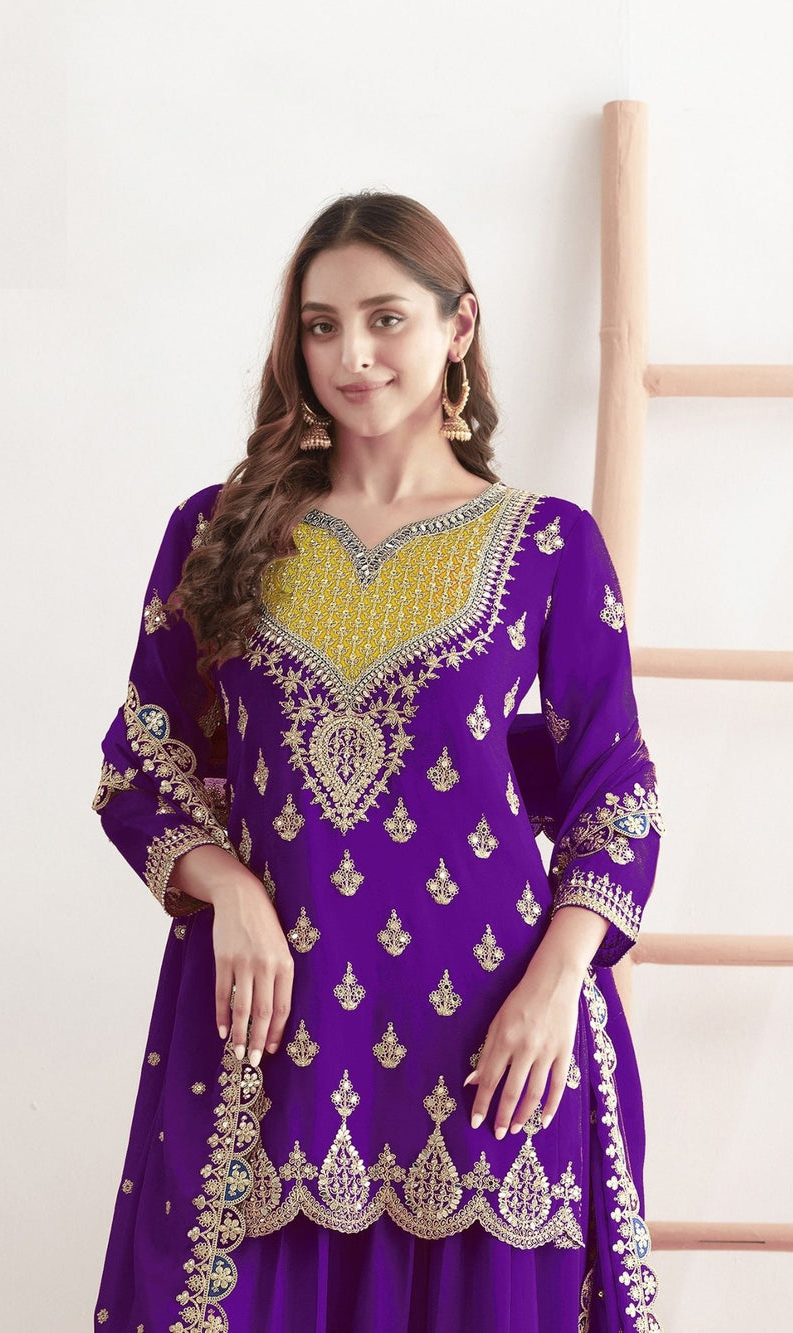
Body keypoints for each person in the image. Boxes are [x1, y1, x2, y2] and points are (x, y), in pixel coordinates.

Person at [90, 191, 666, 1332]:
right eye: (321, 325)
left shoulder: (549, 543)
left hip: (494, 1037)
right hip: (269, 1037)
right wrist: (228, 888)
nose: (350, 356)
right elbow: (141, 762)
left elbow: (615, 793)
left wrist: (555, 985)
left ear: (459, 327)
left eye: (385, 318)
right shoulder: (217, 531)